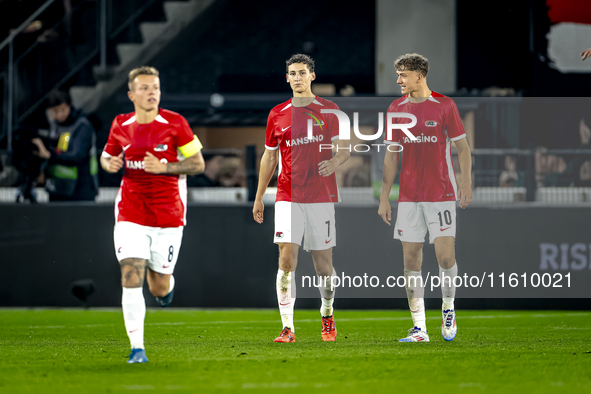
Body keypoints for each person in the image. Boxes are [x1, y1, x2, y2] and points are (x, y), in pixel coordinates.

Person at [100, 66, 205, 363]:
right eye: (145, 88)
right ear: (132, 94)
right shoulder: (120, 124)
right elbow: (107, 157)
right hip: (131, 213)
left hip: (168, 217)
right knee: (131, 273)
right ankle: (137, 349)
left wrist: (166, 167)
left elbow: (198, 164)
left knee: (158, 284)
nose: (151, 93)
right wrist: (107, 163)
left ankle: (166, 290)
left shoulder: (176, 123)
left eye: (155, 87)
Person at [252, 54, 350, 343]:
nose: (296, 77)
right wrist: (259, 196)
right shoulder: (277, 114)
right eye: (292, 73)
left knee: (324, 267)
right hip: (287, 195)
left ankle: (327, 314)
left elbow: (345, 148)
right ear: (286, 78)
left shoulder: (329, 110)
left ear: (312, 76)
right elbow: (269, 157)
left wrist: (335, 162)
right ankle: (287, 327)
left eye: (302, 72)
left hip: (320, 197)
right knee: (286, 260)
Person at [378, 53, 472, 342]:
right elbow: (392, 156)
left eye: (403, 74)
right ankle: (419, 327)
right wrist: (385, 196)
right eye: (398, 74)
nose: (398, 80)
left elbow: (463, 148)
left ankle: (448, 308)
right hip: (408, 197)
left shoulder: (445, 105)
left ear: (419, 76)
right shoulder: (396, 108)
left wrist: (465, 182)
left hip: (441, 194)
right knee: (410, 260)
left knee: (445, 258)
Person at [32, 90, 99, 201]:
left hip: (80, 189)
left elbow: (78, 155)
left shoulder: (82, 126)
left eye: (63, 110)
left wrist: (50, 155)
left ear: (70, 106)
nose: (59, 114)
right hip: (58, 187)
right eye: (55, 111)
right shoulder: (54, 125)